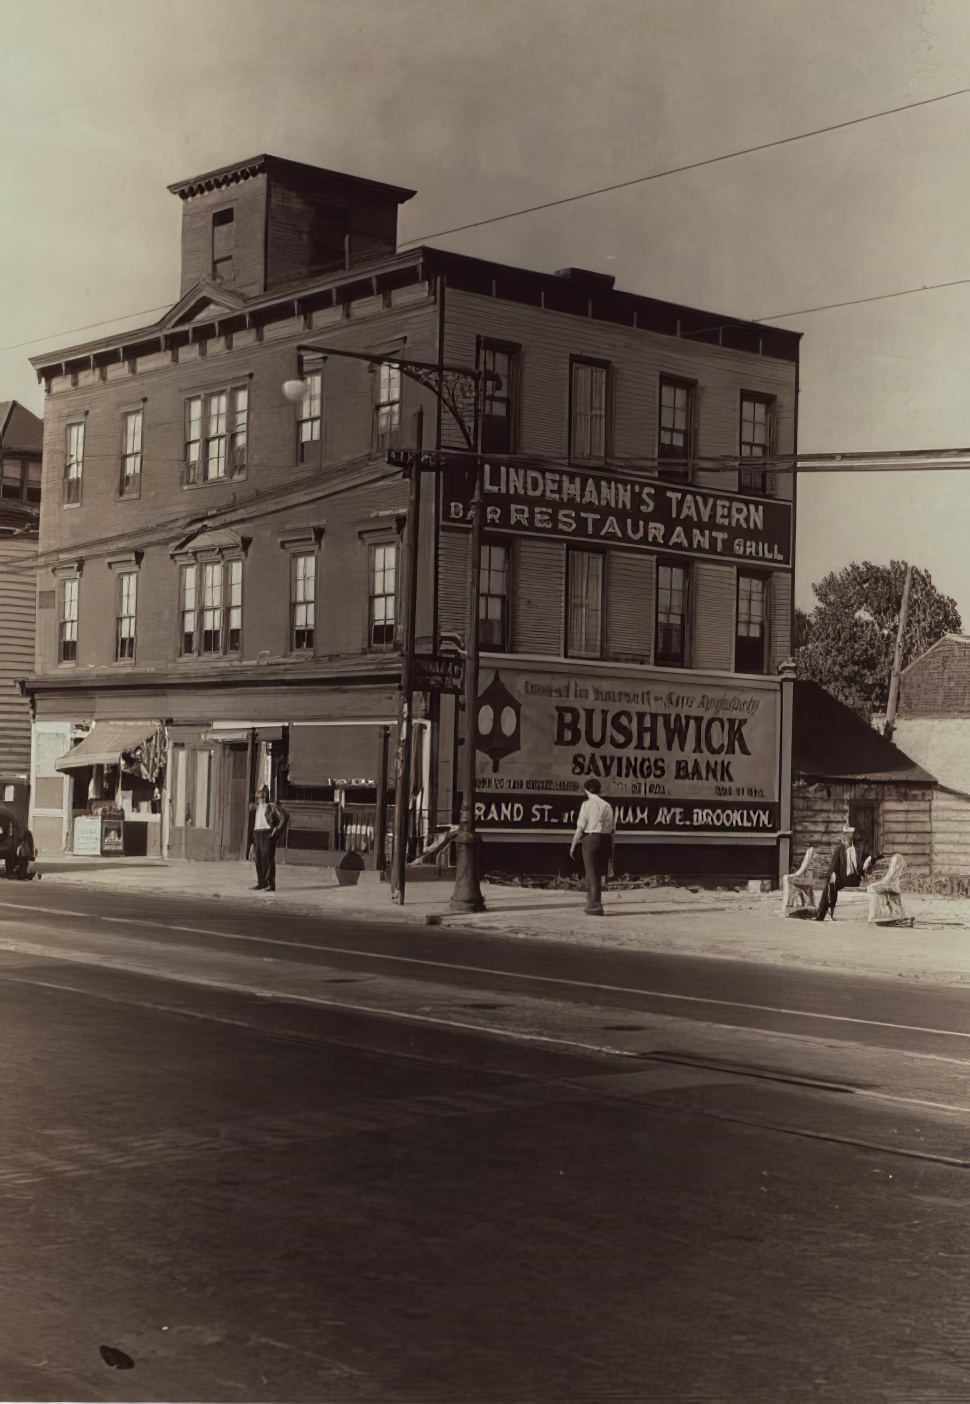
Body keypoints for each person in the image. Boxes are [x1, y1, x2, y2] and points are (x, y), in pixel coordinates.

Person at [569, 778, 614, 916]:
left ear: (586, 789)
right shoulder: (607, 805)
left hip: (591, 838)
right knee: (599, 872)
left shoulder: (587, 805)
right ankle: (595, 902)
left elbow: (581, 826)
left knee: (591, 872)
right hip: (605, 839)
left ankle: (594, 905)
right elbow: (612, 828)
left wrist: (573, 844)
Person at [815, 822, 872, 921]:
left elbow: (866, 863)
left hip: (855, 878)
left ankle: (828, 911)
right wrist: (832, 874)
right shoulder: (839, 850)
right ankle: (823, 913)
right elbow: (833, 865)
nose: (843, 843)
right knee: (830, 884)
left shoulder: (859, 849)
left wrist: (867, 867)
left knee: (831, 885)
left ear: (851, 840)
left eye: (845, 840)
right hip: (842, 878)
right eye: (842, 840)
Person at [249, 785, 288, 892]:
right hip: (257, 834)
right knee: (259, 860)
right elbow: (253, 825)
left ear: (265, 798)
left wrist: (276, 830)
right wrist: (252, 841)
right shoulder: (255, 809)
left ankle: (271, 884)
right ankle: (261, 883)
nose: (258, 800)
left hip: (267, 834)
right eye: (257, 798)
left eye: (260, 797)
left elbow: (284, 816)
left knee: (268, 859)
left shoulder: (271, 806)